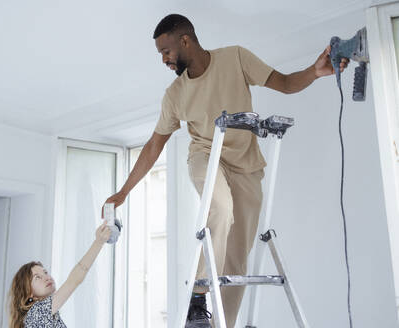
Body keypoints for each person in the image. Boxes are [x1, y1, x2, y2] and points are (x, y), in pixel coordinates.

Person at [103, 14, 349, 328]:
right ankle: (198, 295)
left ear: (185, 40)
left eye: (166, 51)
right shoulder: (174, 94)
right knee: (220, 208)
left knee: (237, 257)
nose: (163, 59)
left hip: (247, 164)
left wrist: (315, 72)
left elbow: (285, 83)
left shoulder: (235, 57)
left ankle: (224, 324)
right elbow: (154, 145)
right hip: (206, 155)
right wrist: (123, 191)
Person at [8, 223, 111, 328]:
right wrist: (98, 242)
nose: (46, 277)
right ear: (28, 292)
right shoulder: (38, 312)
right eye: (37, 277)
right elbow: (73, 281)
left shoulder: (41, 314)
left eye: (45, 272)